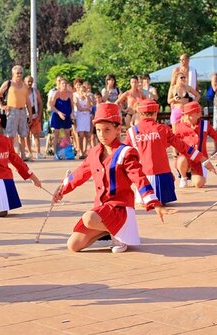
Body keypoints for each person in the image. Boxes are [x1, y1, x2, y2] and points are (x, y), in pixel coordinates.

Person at [53, 103, 171, 253]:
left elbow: (139, 177)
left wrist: (155, 203)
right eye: (98, 130)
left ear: (118, 129)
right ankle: (108, 230)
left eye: (107, 130)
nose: (102, 135)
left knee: (88, 218)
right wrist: (62, 190)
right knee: (73, 245)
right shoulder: (94, 152)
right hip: (101, 210)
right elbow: (79, 174)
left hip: (119, 208)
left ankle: (120, 234)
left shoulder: (126, 153)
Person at [125, 99, 205, 204]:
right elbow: (182, 146)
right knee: (164, 197)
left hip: (142, 179)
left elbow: (123, 153)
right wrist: (200, 157)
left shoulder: (131, 132)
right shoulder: (163, 129)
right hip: (163, 178)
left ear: (140, 114)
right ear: (155, 113)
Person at [174, 102, 217, 188]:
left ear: (198, 114)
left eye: (190, 115)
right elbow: (174, 141)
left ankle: (195, 174)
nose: (187, 117)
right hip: (186, 157)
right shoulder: (180, 127)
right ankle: (184, 177)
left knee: (199, 184)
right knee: (181, 160)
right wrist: (176, 155)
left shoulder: (205, 125)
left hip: (200, 159)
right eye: (186, 115)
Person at [0, 65, 32, 160]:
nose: (19, 75)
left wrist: (30, 115)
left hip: (23, 111)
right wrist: (1, 106)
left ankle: (23, 155)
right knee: (10, 136)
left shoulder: (24, 85)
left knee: (23, 135)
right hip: (12, 111)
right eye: (17, 73)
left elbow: (28, 101)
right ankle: (9, 155)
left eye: (21, 73)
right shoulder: (8, 83)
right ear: (13, 74)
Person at [48, 78, 74, 157]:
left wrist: (72, 113)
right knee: (56, 134)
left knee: (67, 133)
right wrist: (59, 113)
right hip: (57, 115)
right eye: (62, 83)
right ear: (59, 85)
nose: (64, 85)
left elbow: (72, 105)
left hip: (67, 116)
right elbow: (51, 106)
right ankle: (55, 153)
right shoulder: (56, 93)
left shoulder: (70, 93)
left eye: (65, 83)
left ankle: (68, 153)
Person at [24, 75, 44, 160]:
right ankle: (29, 152)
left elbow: (40, 103)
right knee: (26, 135)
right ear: (24, 82)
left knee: (36, 134)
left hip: (35, 115)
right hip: (25, 115)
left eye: (31, 81)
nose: (30, 83)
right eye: (28, 81)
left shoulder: (35, 91)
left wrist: (39, 115)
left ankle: (38, 152)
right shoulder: (22, 91)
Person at [73, 81, 93, 159]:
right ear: (78, 91)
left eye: (84, 91)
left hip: (86, 118)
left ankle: (84, 151)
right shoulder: (77, 98)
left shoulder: (88, 98)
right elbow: (79, 108)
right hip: (80, 118)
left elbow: (89, 107)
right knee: (81, 135)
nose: (83, 93)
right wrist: (86, 109)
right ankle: (80, 150)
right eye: (81, 91)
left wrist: (87, 97)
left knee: (87, 135)